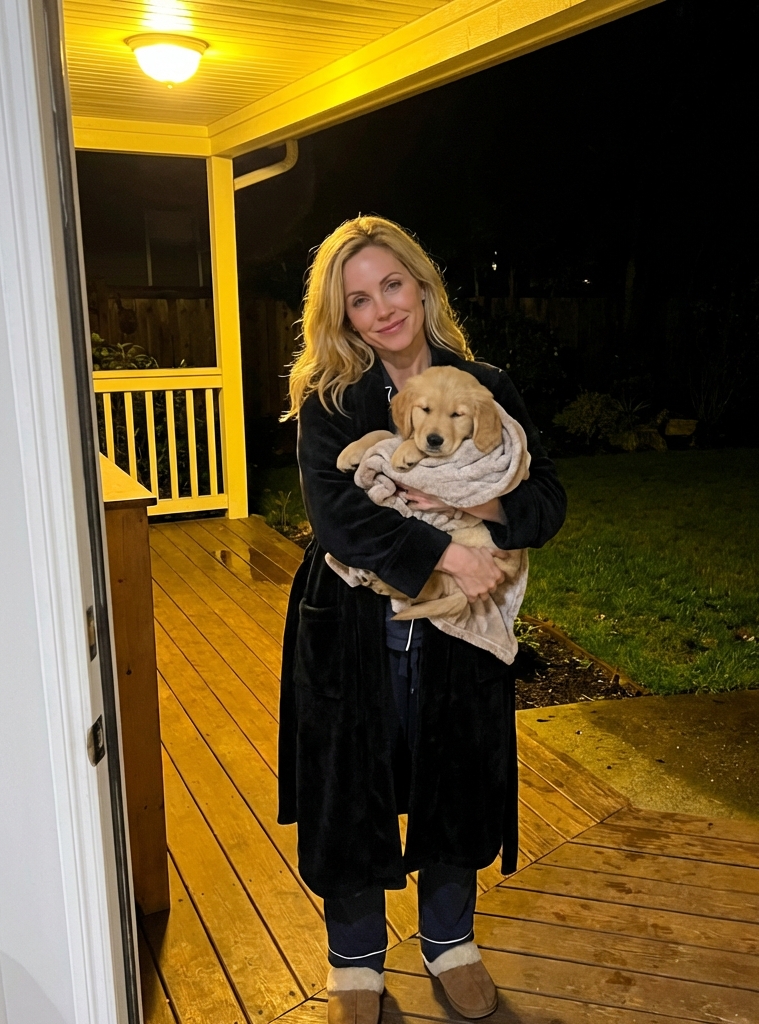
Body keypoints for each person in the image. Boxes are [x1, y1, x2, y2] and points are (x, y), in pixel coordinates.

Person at [279, 216, 566, 1024]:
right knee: (352, 791)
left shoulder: (488, 387)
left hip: (458, 634)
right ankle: (356, 965)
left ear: (422, 285)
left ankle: (451, 944)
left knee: (453, 779)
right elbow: (340, 520)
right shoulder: (333, 399)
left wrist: (487, 508)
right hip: (352, 626)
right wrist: (449, 557)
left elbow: (548, 500)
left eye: (391, 285)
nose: (382, 310)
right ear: (342, 316)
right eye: (359, 299)